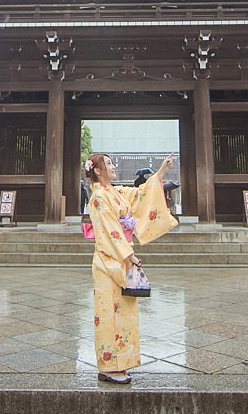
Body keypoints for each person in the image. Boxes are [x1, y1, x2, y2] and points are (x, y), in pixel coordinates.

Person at [85, 152, 178, 384]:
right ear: (97, 170)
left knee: (124, 314)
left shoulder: (114, 192)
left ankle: (122, 363)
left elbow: (139, 194)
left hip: (121, 260)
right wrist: (130, 255)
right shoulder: (98, 197)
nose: (113, 166)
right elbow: (109, 232)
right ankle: (108, 366)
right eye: (108, 163)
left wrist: (161, 172)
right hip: (109, 262)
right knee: (109, 315)